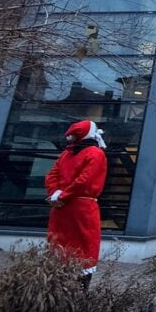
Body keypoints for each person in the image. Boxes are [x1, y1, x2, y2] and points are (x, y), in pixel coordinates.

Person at [45, 119, 108, 289]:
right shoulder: (95, 153)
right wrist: (65, 195)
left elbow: (51, 176)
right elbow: (85, 180)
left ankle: (56, 287)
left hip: (60, 207)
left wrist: (55, 195)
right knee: (86, 246)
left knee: (59, 244)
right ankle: (80, 291)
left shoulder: (66, 154)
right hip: (83, 207)